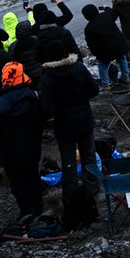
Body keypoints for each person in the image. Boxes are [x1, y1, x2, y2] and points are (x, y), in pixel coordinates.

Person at [37, 41, 99, 213]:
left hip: (64, 126)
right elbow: (94, 90)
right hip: (85, 120)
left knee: (69, 162)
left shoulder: (48, 78)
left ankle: (70, 195)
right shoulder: (79, 68)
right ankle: (92, 188)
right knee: (88, 156)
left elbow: (47, 109)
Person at [0, 63, 43, 220]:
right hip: (32, 146)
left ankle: (26, 211)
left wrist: (0, 139)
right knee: (33, 177)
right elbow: (44, 116)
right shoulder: (34, 98)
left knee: (17, 182)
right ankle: (38, 209)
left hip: (9, 150)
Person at [82, 3, 130, 88]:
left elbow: (91, 44)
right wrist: (106, 7)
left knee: (102, 66)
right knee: (122, 59)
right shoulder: (106, 16)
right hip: (118, 45)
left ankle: (106, 84)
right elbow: (113, 12)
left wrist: (96, 53)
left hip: (104, 51)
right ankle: (125, 76)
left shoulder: (89, 28)